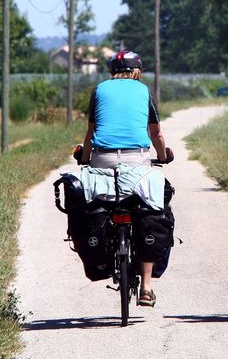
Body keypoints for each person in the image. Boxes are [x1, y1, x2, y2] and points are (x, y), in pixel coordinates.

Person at [79, 50, 171, 307]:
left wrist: (85, 157)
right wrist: (162, 155)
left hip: (102, 161)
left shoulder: (98, 90)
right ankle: (147, 286)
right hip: (137, 162)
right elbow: (156, 134)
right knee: (150, 211)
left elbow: (91, 131)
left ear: (111, 71)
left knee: (99, 207)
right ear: (136, 71)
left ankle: (104, 255)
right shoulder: (143, 91)